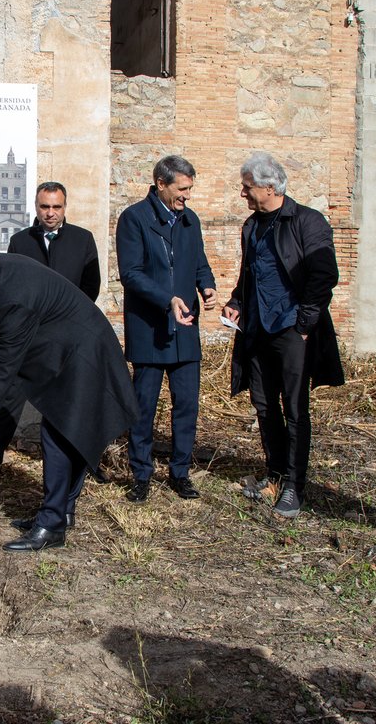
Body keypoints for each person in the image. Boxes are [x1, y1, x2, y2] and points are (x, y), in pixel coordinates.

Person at [0, 251, 138, 551]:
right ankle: (60, 513)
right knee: (67, 432)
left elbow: (4, 377)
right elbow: (7, 340)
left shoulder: (13, 298)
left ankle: (51, 526)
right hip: (68, 348)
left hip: (86, 355)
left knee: (58, 434)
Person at [222, 152, 344, 518]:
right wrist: (236, 301)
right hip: (257, 330)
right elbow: (251, 274)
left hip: (292, 331)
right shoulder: (252, 226)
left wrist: (305, 324)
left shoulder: (307, 221)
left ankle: (294, 484)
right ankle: (275, 472)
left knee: (294, 408)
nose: (243, 194)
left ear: (270, 186)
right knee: (263, 403)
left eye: (248, 187)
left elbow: (325, 276)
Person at [0, 181, 102, 484]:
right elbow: (10, 288)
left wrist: (65, 325)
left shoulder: (83, 240)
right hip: (24, 339)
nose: (51, 213)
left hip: (65, 341)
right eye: (45, 207)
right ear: (36, 207)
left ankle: (89, 462)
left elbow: (89, 288)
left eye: (57, 207)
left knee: (73, 406)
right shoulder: (20, 241)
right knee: (8, 400)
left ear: (65, 207)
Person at [116, 155, 217, 503]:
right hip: (150, 328)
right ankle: (141, 475)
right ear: (161, 184)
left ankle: (180, 472)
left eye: (190, 188)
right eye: (182, 188)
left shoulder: (191, 221)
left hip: (185, 327)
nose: (187, 195)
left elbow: (199, 261)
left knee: (187, 404)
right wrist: (167, 299)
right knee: (143, 407)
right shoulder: (134, 219)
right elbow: (130, 273)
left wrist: (207, 285)